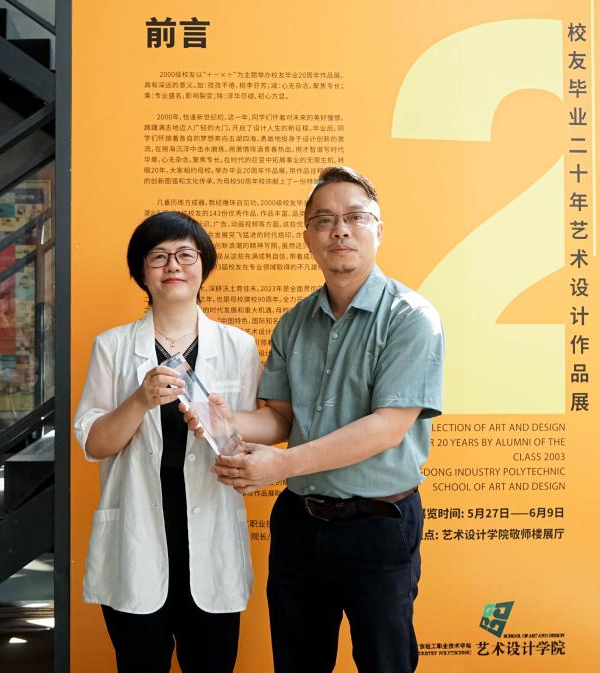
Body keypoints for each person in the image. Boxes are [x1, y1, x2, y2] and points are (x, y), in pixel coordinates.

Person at [190, 166, 444, 673]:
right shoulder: (293, 322)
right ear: (308, 237)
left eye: (355, 217)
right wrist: (227, 422)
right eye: (324, 220)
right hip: (299, 525)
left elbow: (388, 426)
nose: (340, 230)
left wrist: (281, 465)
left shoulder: (411, 317)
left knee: (386, 663)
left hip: (378, 524)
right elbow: (280, 417)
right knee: (297, 663)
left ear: (378, 229)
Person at [74, 211, 261, 673]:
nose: (172, 265)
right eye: (158, 256)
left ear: (204, 265)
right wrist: (139, 400)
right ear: (141, 272)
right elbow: (95, 444)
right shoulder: (112, 346)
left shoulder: (238, 346)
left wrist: (231, 437)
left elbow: (252, 436)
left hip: (212, 540)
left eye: (185, 255)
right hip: (136, 539)